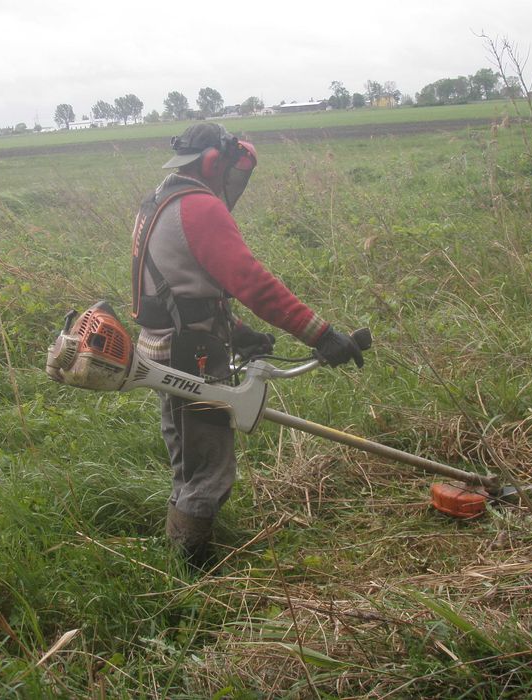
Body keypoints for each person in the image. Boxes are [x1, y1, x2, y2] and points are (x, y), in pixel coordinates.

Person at [130, 122, 363, 567]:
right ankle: (192, 573)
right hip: (189, 356)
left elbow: (175, 287)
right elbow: (253, 283)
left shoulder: (160, 198)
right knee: (210, 467)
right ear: (214, 163)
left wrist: (236, 333)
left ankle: (182, 552)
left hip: (171, 345)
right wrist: (321, 334)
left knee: (191, 458)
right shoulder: (199, 206)